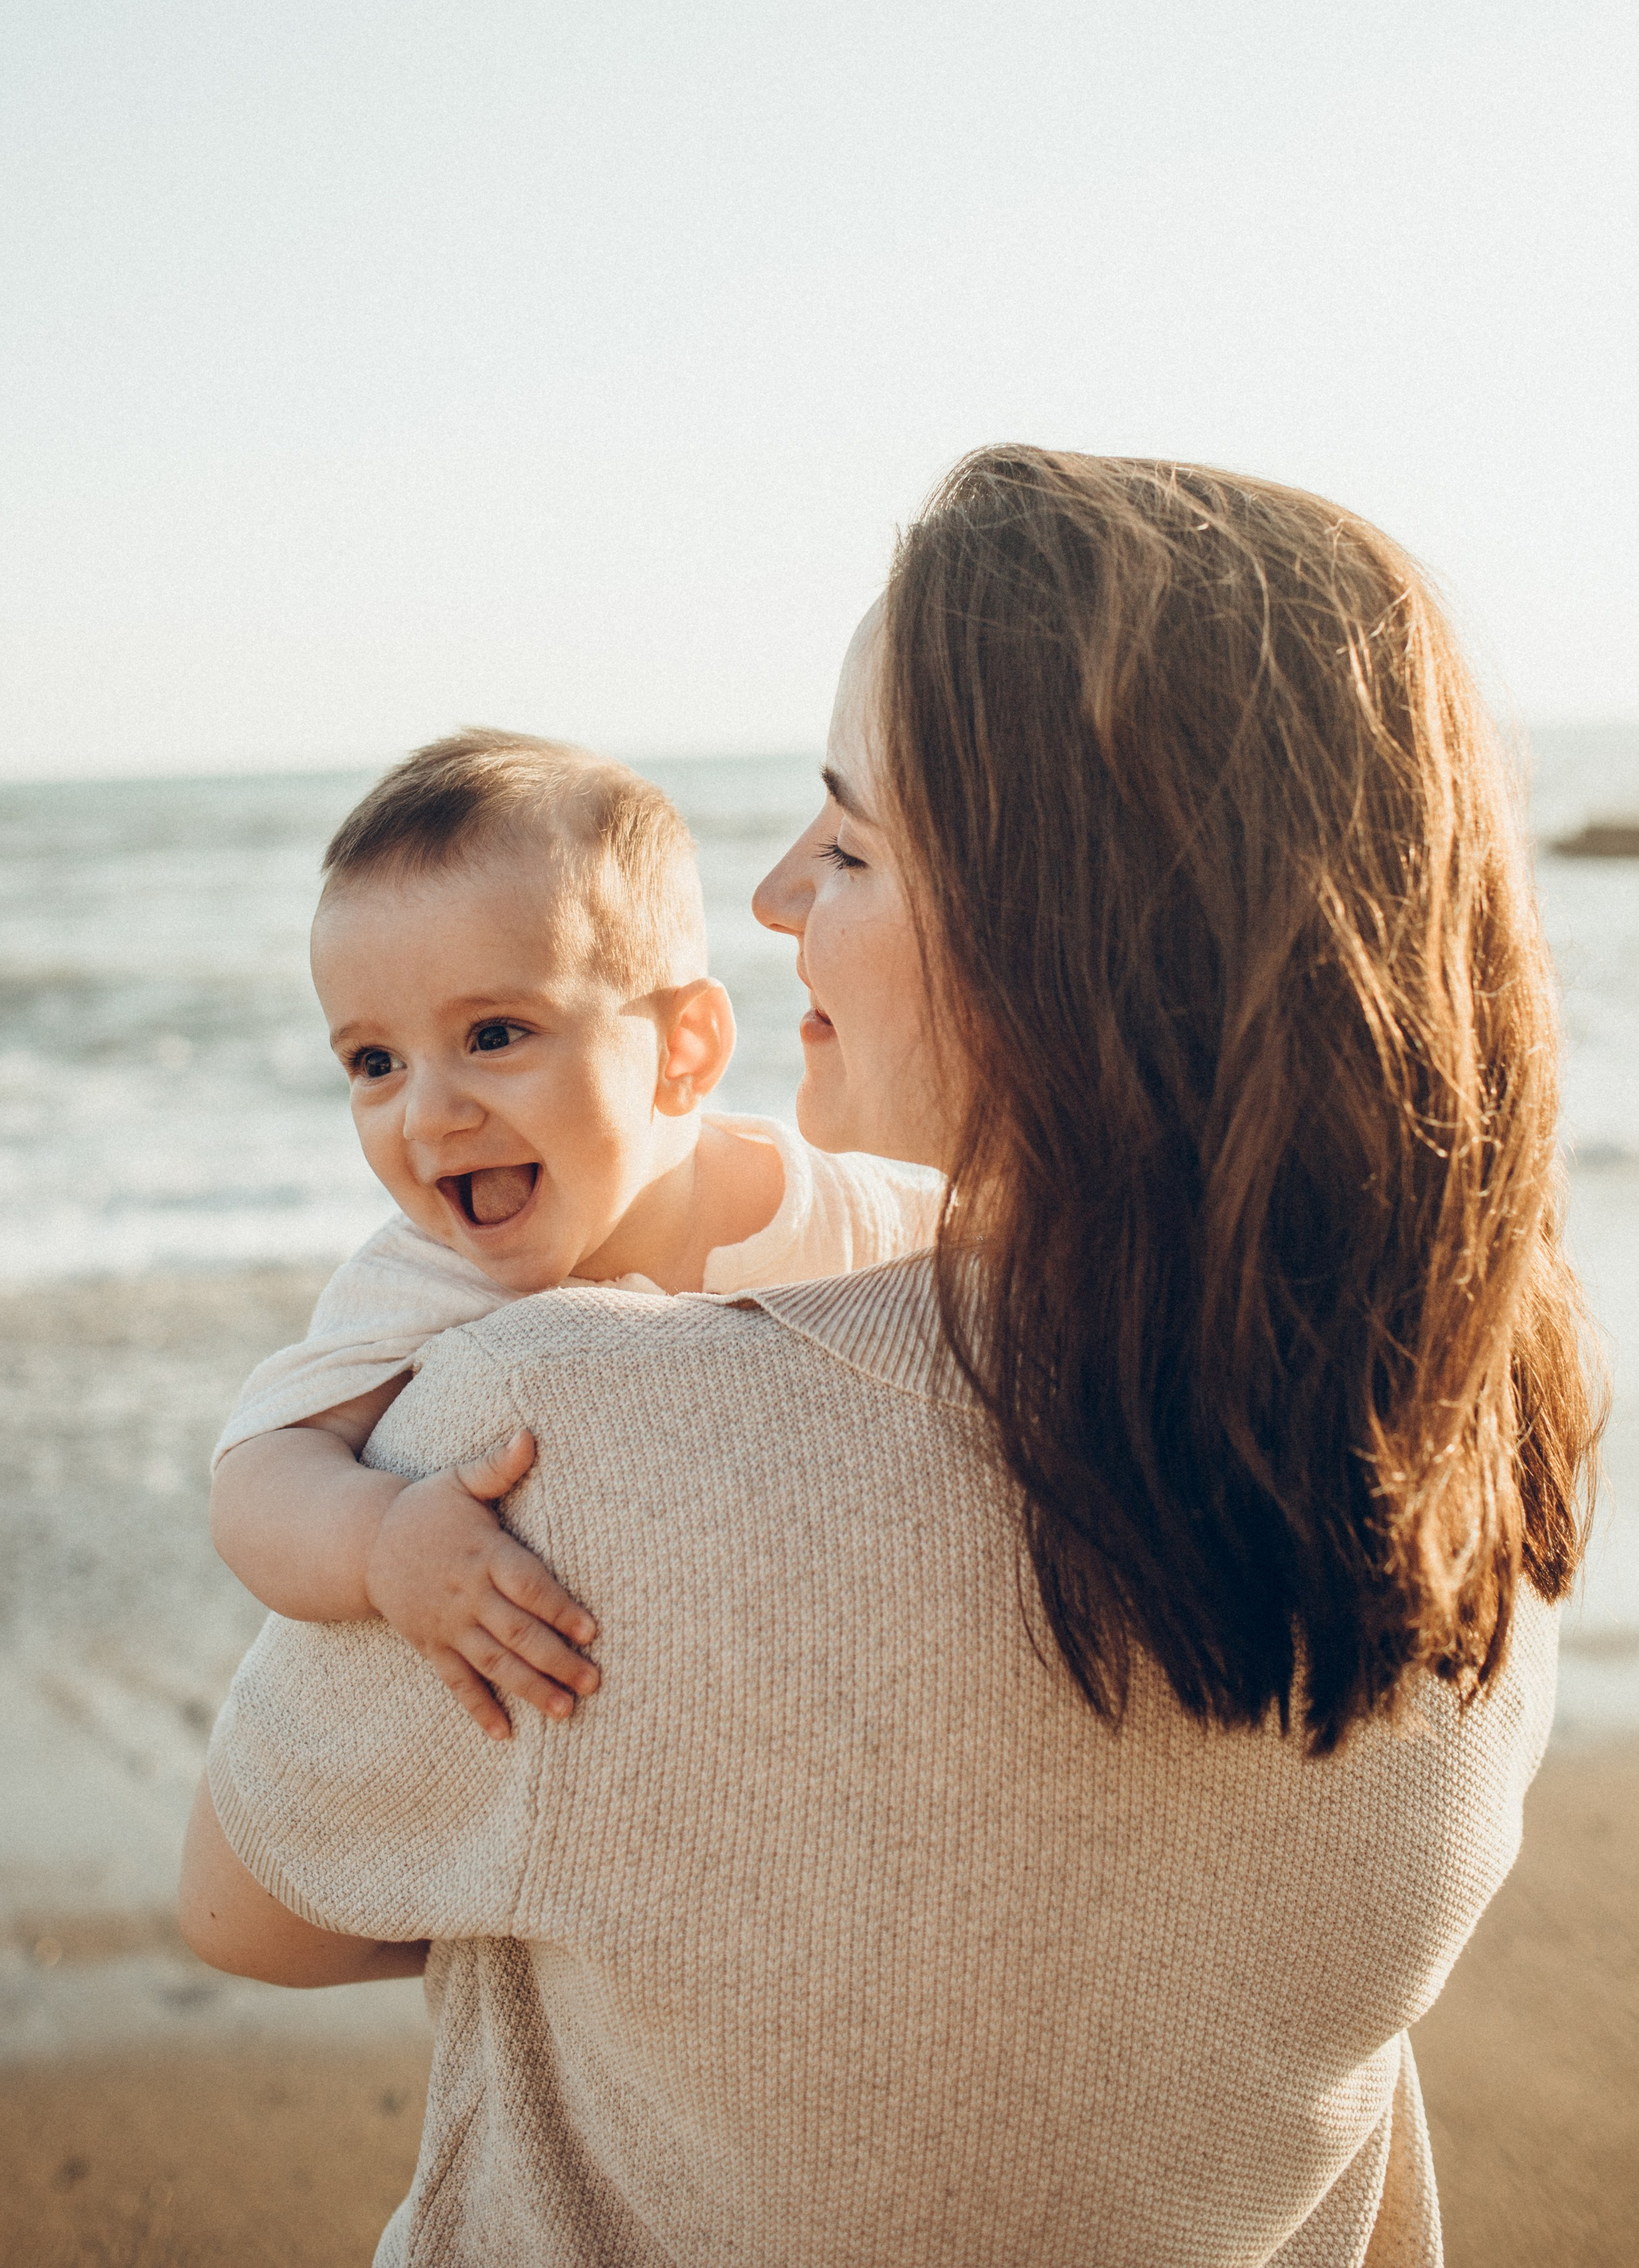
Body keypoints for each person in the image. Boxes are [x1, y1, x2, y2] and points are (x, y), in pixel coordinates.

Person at [182, 448, 1601, 2267]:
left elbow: (250, 1905)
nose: (777, 895)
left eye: (848, 846)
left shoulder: (575, 1445)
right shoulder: (1479, 1461)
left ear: (1062, 934)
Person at [207, 727, 942, 1735]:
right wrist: (379, 1543)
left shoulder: (843, 1212)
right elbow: (257, 1479)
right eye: (375, 1063)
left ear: (684, 1051)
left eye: (493, 1036)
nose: (428, 1115)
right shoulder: (423, 1277)